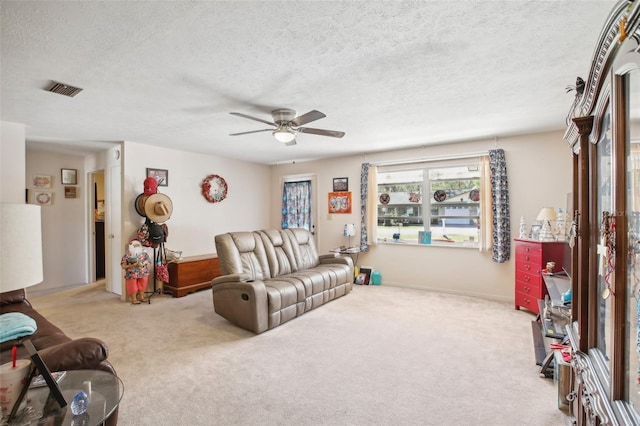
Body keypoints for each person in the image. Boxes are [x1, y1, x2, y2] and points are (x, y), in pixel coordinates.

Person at [121, 239, 151, 304]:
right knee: (132, 286)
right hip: (132, 273)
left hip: (143, 272)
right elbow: (123, 266)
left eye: (137, 245)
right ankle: (134, 300)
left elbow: (148, 261)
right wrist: (131, 265)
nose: (136, 246)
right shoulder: (127, 256)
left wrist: (142, 264)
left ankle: (141, 297)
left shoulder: (144, 254)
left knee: (142, 285)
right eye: (135, 245)